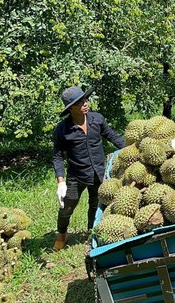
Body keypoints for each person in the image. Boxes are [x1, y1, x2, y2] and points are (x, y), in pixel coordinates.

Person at [52, 86, 125, 250]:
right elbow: (57, 156)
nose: (85, 103)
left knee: (95, 204)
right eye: (80, 102)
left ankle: (91, 231)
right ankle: (62, 234)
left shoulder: (97, 119)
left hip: (98, 173)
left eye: (85, 99)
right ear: (71, 108)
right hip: (75, 176)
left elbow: (112, 136)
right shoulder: (62, 130)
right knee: (66, 207)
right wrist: (60, 182)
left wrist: (129, 149)